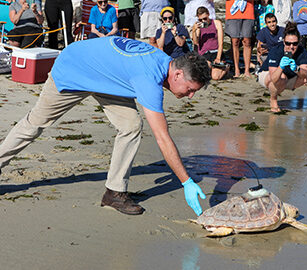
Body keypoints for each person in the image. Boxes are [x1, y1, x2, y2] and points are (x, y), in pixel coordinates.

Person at [0, 37, 211, 216]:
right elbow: (162, 138)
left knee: (130, 126)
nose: (190, 96)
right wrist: (186, 181)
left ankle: (114, 192)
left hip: (107, 77)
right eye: (190, 89)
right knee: (34, 124)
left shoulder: (167, 62)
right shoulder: (148, 78)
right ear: (177, 75)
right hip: (73, 68)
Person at [257, 22, 307, 114]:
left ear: (299, 42)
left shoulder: (302, 52)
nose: (291, 47)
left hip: (290, 77)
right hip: (268, 76)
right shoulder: (276, 51)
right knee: (281, 77)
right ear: (284, 41)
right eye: (288, 43)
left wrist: (297, 68)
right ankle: (273, 100)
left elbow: (306, 73)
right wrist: (280, 67)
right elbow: (274, 78)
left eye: (294, 44)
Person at [192, 6, 229, 80]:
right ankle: (213, 68)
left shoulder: (216, 23)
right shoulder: (199, 26)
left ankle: (225, 67)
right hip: (204, 53)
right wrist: (194, 30)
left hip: (215, 51)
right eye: (200, 19)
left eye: (205, 18)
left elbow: (221, 42)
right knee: (205, 68)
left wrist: (218, 57)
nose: (203, 21)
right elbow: (196, 42)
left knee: (215, 77)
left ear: (208, 14)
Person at [225, 0, 255, 78]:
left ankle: (247, 70)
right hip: (232, 12)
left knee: (247, 41)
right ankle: (236, 69)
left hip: (248, 10)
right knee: (235, 42)